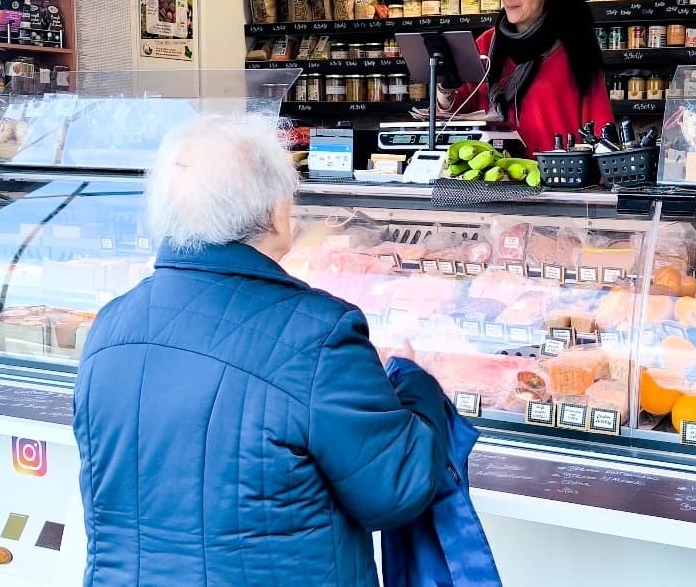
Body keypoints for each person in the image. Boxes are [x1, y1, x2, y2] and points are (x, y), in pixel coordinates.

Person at [73, 113, 450, 586]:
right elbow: (395, 488)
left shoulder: (109, 327)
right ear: (275, 211)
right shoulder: (318, 335)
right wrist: (416, 382)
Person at [437, 0, 615, 150]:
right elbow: (456, 115)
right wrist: (444, 86)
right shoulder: (486, 44)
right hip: (492, 177)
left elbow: (602, 130)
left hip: (557, 176)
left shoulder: (575, 48)